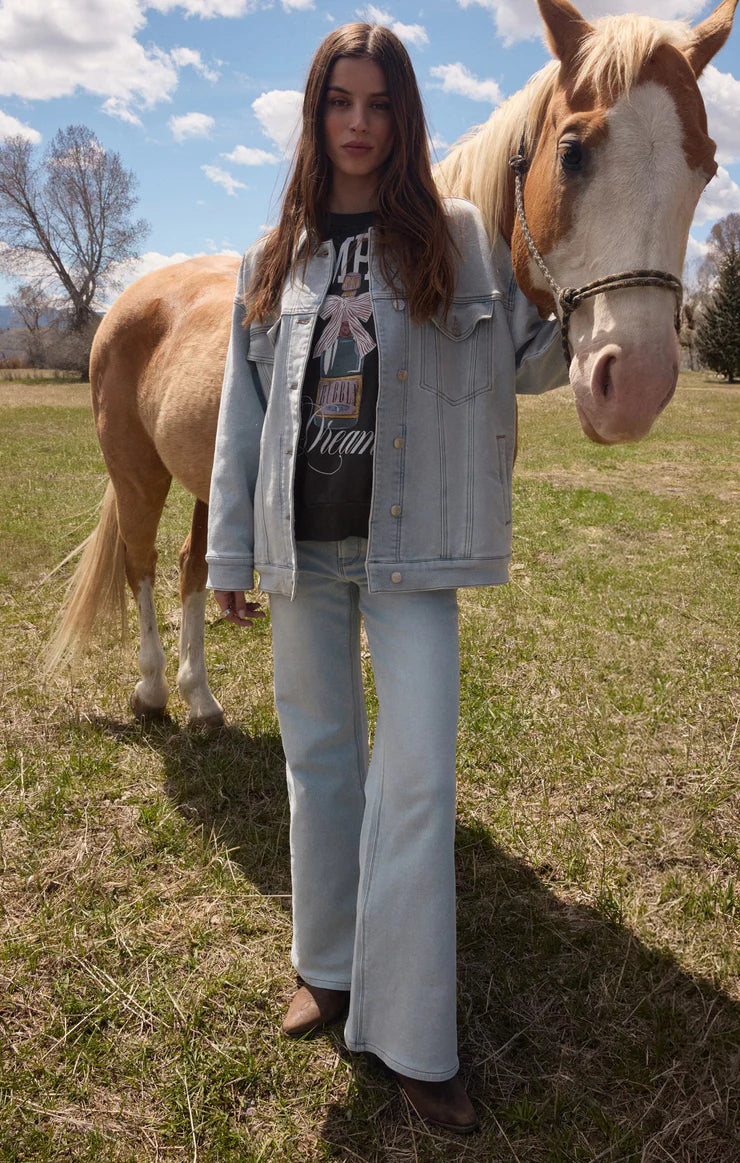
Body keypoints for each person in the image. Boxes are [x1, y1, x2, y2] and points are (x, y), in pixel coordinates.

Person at [206, 21, 563, 1133]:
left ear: (405, 121)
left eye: (379, 105)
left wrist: (597, 301)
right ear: (316, 117)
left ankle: (413, 1034)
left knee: (414, 776)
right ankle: (328, 964)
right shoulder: (280, 253)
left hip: (412, 552)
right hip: (300, 549)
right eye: (339, 103)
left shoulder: (452, 235)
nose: (358, 124)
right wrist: (228, 549)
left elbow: (523, 359)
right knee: (318, 758)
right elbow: (240, 415)